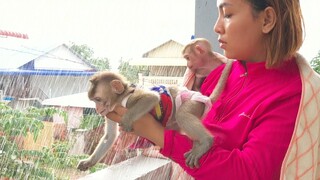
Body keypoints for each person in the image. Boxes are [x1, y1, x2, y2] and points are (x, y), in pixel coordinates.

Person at [101, 0, 320, 179]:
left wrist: (156, 133)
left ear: (267, 20)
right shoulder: (222, 73)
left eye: (228, 14)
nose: (216, 27)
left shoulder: (292, 95)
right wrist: (141, 131)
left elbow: (246, 172)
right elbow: (187, 125)